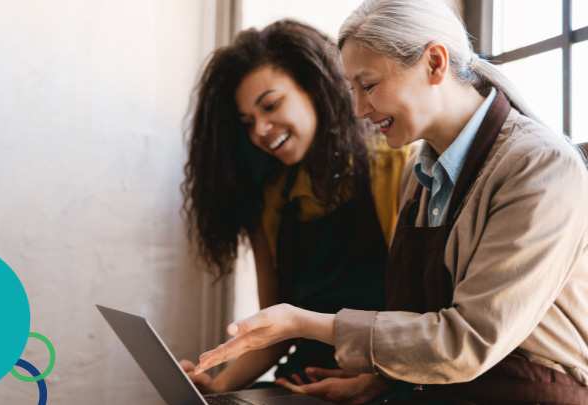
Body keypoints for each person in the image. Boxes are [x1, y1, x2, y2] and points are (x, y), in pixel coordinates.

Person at [193, 1, 588, 404]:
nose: (358, 109)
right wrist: (378, 382)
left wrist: (303, 323)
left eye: (369, 85)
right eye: (352, 89)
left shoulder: (540, 165)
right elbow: (422, 326)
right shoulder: (419, 178)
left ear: (435, 62)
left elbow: (465, 343)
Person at [180, 19, 410, 395]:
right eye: (248, 122)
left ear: (315, 89)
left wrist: (382, 379)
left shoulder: (395, 170)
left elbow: (423, 320)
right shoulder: (271, 202)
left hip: (382, 385)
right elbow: (273, 334)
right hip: (296, 385)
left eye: (270, 105)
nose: (260, 129)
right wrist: (213, 386)